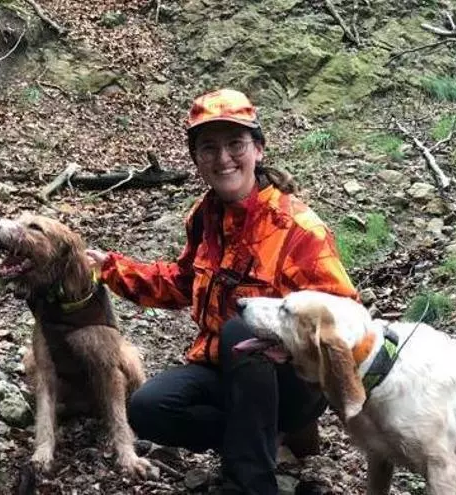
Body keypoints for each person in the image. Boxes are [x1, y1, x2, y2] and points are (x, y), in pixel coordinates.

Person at [86, 88, 358, 495]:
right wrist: (109, 268)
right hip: (222, 371)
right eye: (209, 147)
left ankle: (251, 483)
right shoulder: (204, 216)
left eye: (236, 144)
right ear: (196, 159)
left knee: (241, 328)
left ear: (258, 150)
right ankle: (262, 439)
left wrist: (289, 346)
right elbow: (182, 282)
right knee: (147, 408)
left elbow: (343, 314)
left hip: (293, 381)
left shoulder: (298, 228)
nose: (223, 158)